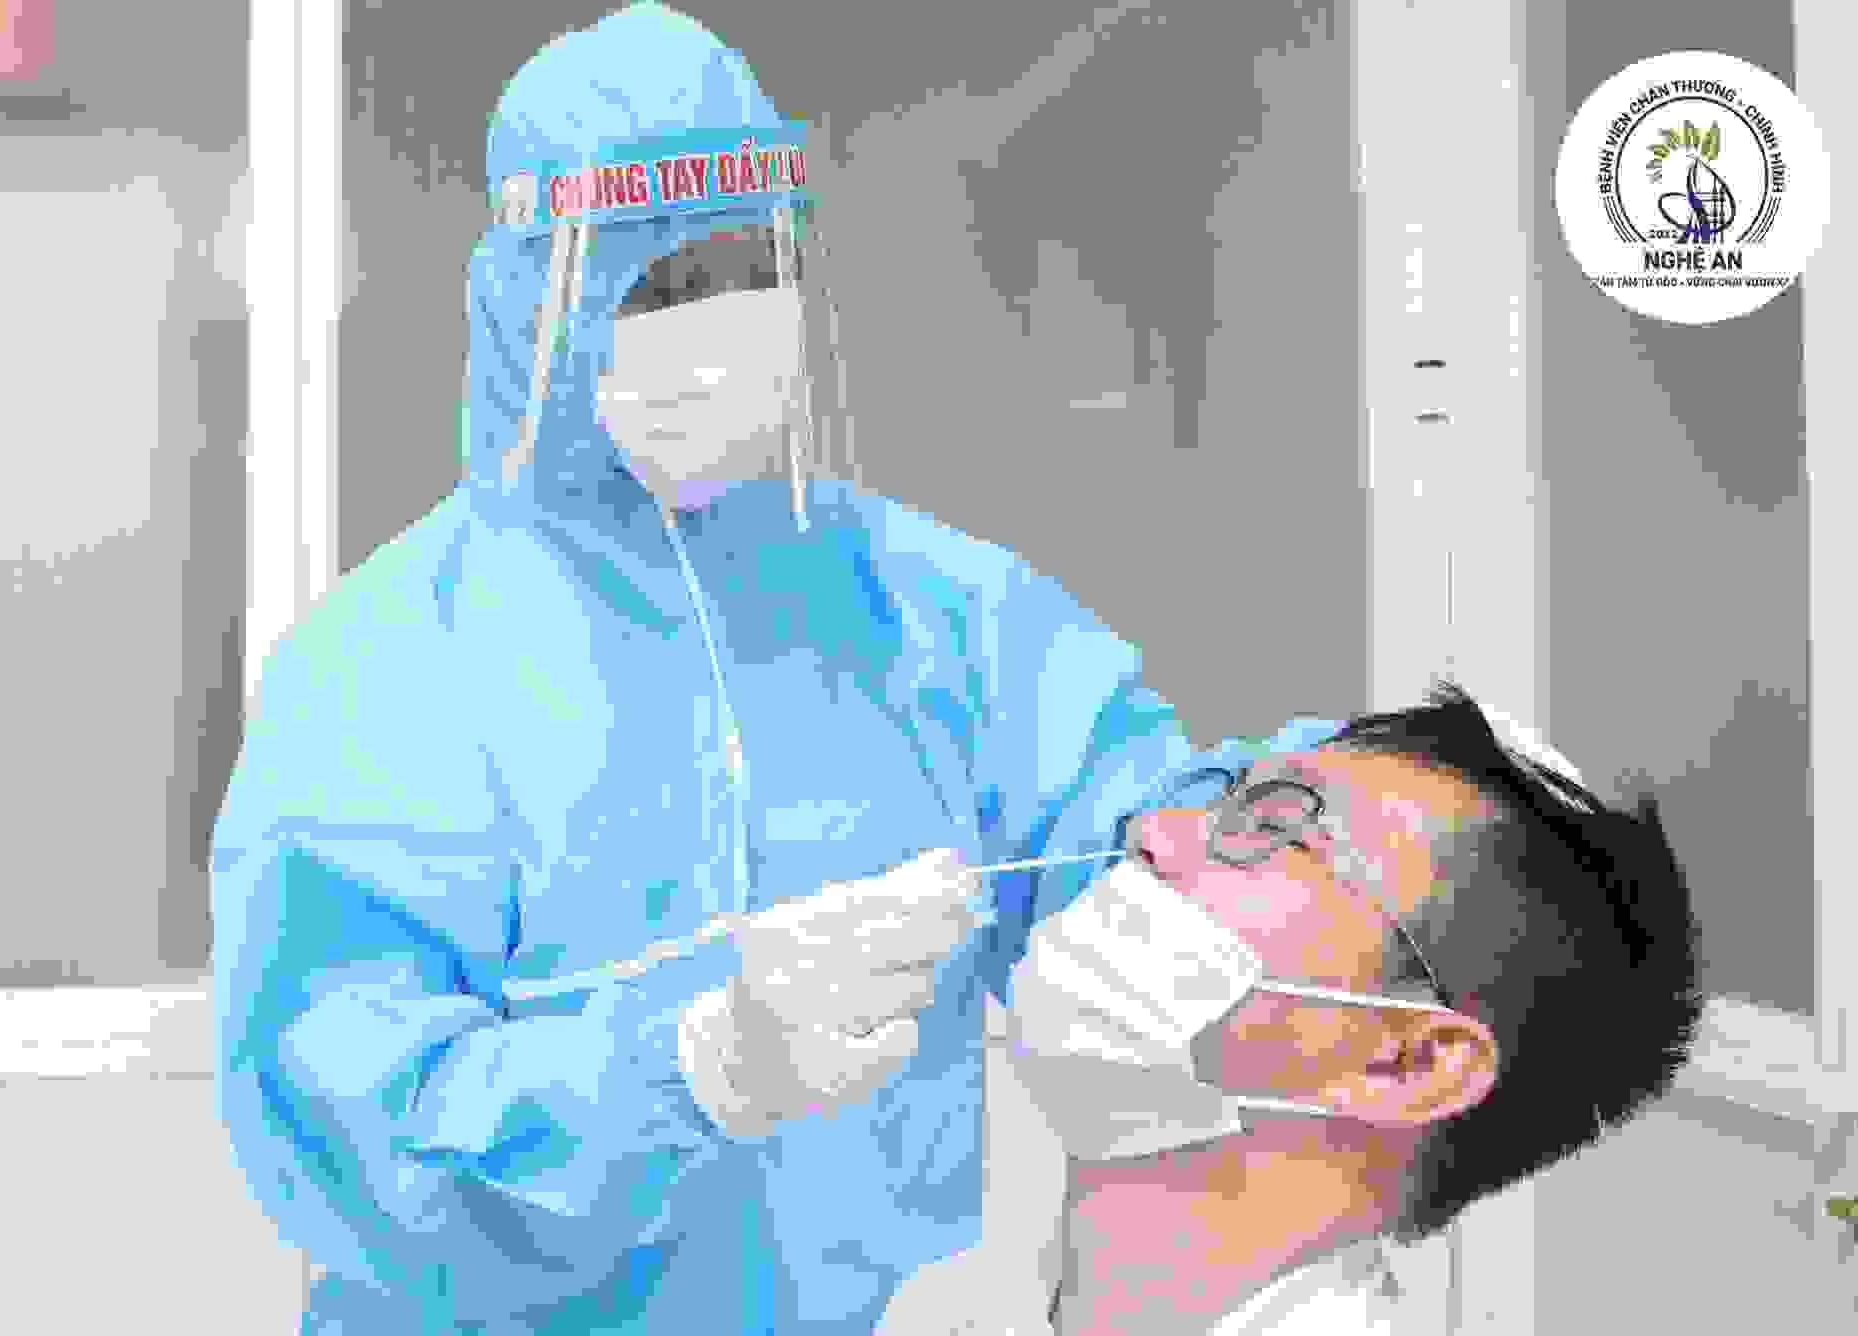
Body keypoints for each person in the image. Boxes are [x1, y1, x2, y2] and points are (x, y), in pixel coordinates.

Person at [209, 4, 1345, 1332]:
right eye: (654, 286)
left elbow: (1129, 830)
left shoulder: (928, 610)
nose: (711, 332)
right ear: (536, 304)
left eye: (750, 269)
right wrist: (692, 1071)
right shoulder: (391, 666)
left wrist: (1341, 809)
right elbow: (343, 1108)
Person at [876, 682, 1705, 1334]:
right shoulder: (960, 1293)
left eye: (1275, 830)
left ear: (1407, 1062)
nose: (1152, 827)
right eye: (1224, 798)